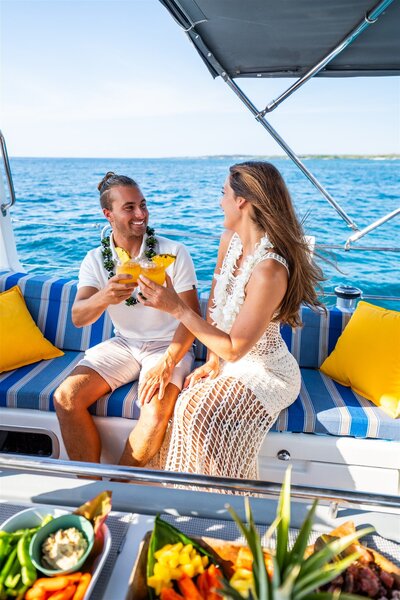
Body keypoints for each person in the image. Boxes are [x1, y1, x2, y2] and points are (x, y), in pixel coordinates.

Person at [137, 161, 324, 481]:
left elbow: (236, 348)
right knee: (185, 403)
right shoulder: (230, 241)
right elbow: (216, 306)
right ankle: (184, 495)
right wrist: (211, 362)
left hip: (268, 371)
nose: (219, 201)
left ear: (241, 201)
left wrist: (176, 308)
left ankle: (218, 501)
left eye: (223, 193)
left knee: (195, 410)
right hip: (227, 360)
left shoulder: (269, 270)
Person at [53, 172, 200, 467]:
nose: (141, 214)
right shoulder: (96, 259)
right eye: (129, 207)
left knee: (156, 410)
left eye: (143, 205)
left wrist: (168, 363)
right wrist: (105, 295)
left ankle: (116, 491)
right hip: (124, 344)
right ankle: (92, 491)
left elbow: (192, 317)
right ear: (108, 214)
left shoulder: (173, 253)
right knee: (66, 397)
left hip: (168, 345)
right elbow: (78, 317)